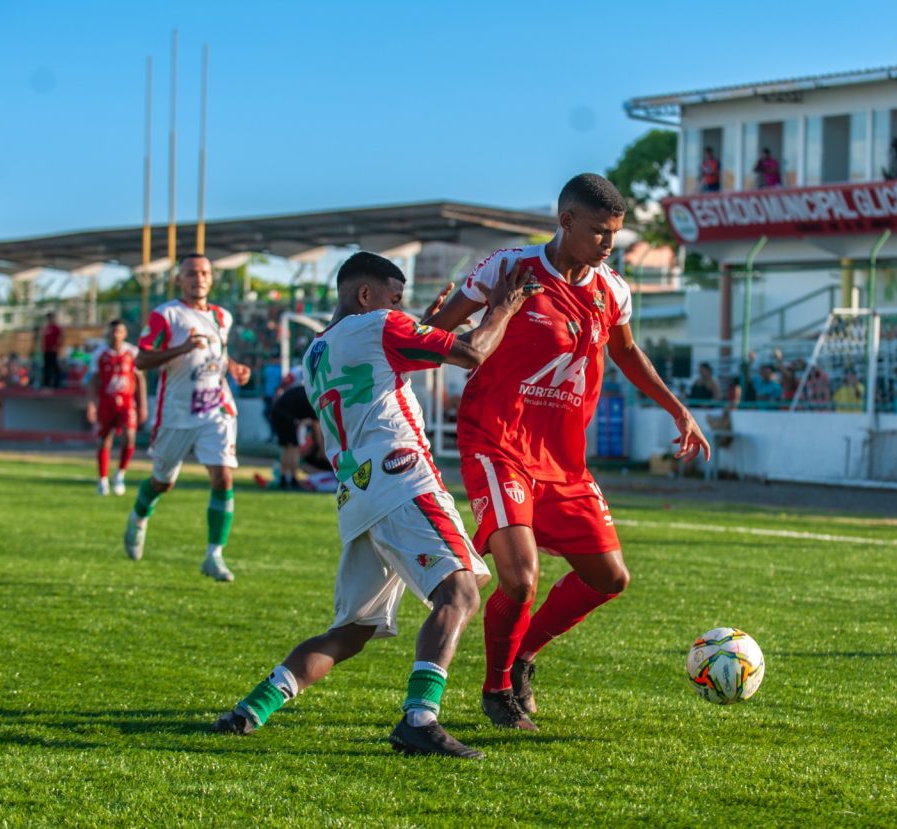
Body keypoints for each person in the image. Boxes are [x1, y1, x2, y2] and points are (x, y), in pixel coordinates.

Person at [212, 251, 539, 759]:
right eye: (394, 298)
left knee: (353, 631)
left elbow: (381, 364)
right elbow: (473, 352)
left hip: (357, 496)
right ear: (365, 295)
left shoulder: (316, 350)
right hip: (402, 480)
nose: (400, 310)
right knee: (462, 592)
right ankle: (419, 718)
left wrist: (422, 326)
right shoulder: (381, 325)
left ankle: (249, 710)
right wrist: (504, 306)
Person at [425, 173, 710, 730]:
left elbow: (628, 355)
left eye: (616, 235)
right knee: (520, 577)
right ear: (566, 222)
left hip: (563, 460)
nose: (609, 245)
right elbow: (439, 332)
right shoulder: (508, 268)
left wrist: (679, 409)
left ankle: (524, 656)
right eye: (600, 232)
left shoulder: (613, 290)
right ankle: (497, 690)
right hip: (496, 441)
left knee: (610, 578)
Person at [122, 253, 252, 582]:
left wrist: (234, 367)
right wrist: (180, 350)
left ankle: (214, 555)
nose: (199, 278)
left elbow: (219, 352)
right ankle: (139, 516)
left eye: (204, 272)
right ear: (180, 279)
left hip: (216, 407)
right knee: (163, 482)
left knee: (223, 476)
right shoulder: (166, 315)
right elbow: (142, 361)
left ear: (211, 278)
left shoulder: (223, 316)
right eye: (191, 273)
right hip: (177, 413)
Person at [87, 320, 147, 495]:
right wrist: (92, 404)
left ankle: (120, 473)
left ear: (125, 333)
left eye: (120, 331)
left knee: (130, 436)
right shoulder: (99, 354)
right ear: (109, 333)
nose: (116, 334)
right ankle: (103, 479)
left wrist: (142, 405)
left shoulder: (132, 352)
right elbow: (93, 381)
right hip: (107, 401)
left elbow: (139, 380)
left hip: (127, 402)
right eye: (113, 331)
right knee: (105, 439)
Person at [267, 381, 332, 489]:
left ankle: (284, 478)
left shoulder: (307, 392)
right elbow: (316, 428)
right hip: (286, 416)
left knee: (286, 447)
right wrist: (322, 449)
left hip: (277, 413)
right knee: (294, 448)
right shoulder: (315, 401)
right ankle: (292, 478)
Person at [41, 311, 63, 388]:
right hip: (46, 350)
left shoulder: (56, 327)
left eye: (50, 317)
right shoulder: (46, 328)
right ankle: (46, 383)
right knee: (46, 367)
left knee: (54, 366)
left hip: (53, 350)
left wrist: (57, 346)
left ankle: (57, 383)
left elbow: (62, 336)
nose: (49, 319)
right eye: (48, 318)